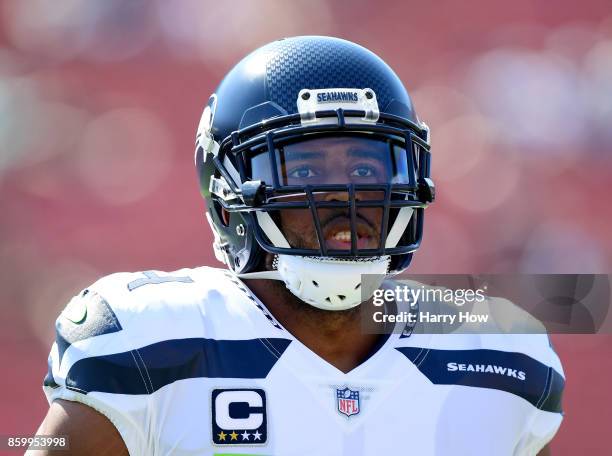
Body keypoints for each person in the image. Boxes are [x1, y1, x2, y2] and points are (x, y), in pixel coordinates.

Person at [32, 36, 563, 455]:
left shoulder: (500, 353)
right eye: (304, 169)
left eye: (364, 168)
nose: (344, 196)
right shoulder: (145, 342)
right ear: (227, 199)